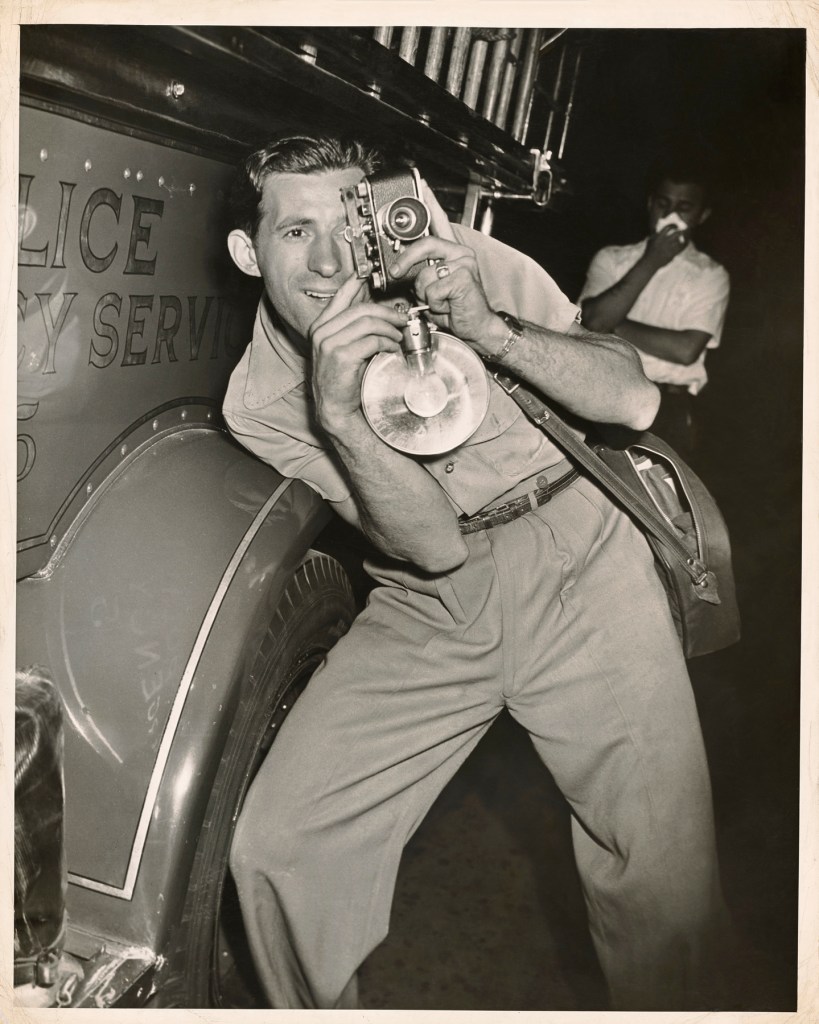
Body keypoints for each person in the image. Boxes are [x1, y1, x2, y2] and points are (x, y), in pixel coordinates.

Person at [222, 132, 729, 1011]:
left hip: (581, 551)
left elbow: (634, 398)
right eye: (294, 232)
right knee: (280, 848)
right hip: (431, 601)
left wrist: (490, 329)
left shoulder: (457, 257)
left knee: (664, 882)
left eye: (348, 221)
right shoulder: (259, 400)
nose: (334, 259)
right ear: (245, 249)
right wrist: (338, 415)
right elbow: (432, 548)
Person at [578, 159, 730, 457]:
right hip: (600, 390)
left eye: (684, 207)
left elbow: (685, 350)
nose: (670, 215)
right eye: (663, 203)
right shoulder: (611, 259)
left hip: (667, 409)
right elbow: (592, 322)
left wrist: (614, 321)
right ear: (650, 205)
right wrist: (652, 261)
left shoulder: (712, 275)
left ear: (702, 214)